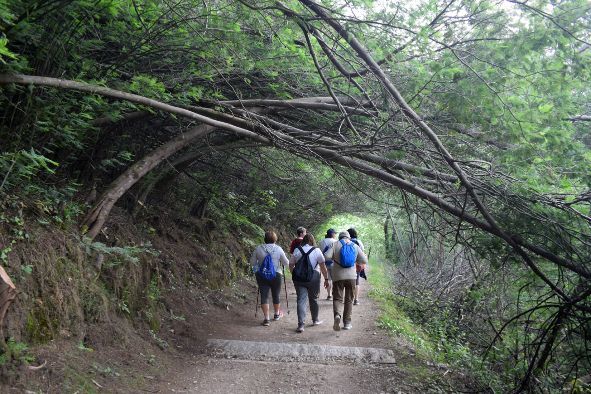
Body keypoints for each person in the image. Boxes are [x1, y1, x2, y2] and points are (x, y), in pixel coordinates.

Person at [324, 231, 367, 331]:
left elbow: (326, 256)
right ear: (349, 237)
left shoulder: (335, 244)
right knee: (349, 300)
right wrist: (355, 260)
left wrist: (335, 258)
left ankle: (337, 315)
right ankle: (347, 323)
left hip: (338, 276)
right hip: (351, 276)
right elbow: (364, 261)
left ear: (340, 237)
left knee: (337, 298)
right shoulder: (355, 246)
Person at [289, 233, 329, 333]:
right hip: (314, 277)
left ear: (303, 240)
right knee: (313, 299)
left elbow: (291, 264)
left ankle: (301, 325)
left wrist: (294, 273)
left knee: (301, 300)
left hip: (299, 278)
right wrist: (326, 279)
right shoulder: (316, 250)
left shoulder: (297, 249)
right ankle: (315, 320)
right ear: (312, 240)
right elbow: (323, 266)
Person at [250, 230, 289, 326]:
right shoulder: (279, 249)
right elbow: (286, 263)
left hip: (262, 275)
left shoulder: (258, 248)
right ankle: (276, 315)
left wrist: (257, 272)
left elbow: (252, 263)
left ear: (265, 239)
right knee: (276, 294)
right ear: (275, 239)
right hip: (276, 274)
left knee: (264, 295)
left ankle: (266, 319)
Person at [347, 228, 366, 306]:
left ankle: (348, 299)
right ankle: (356, 299)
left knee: (348, 281)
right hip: (357, 264)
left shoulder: (347, 242)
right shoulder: (359, 242)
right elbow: (362, 252)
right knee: (357, 282)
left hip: (348, 264)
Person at [319, 228, 338, 300]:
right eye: (335, 233)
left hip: (324, 263)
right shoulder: (336, 241)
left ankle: (329, 295)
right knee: (335, 280)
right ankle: (335, 294)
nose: (335, 235)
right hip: (334, 263)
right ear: (332, 234)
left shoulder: (322, 241)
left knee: (328, 279)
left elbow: (320, 252)